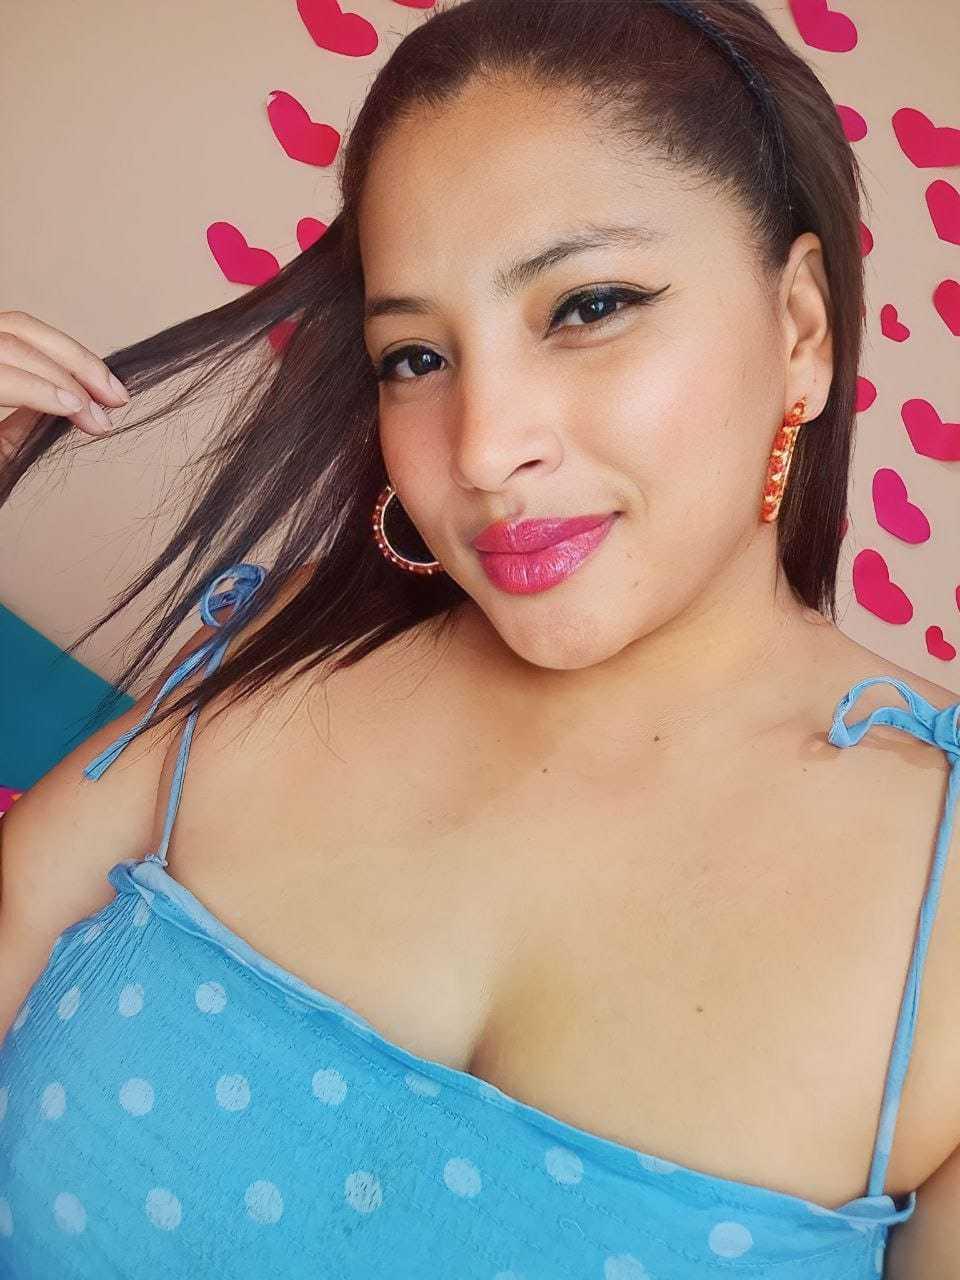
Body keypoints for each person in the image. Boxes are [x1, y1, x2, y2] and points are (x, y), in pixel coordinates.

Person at [1, 1, 958, 1275]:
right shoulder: (273, 657)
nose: (485, 446)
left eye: (588, 305)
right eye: (415, 356)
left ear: (800, 329)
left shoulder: (942, 897)